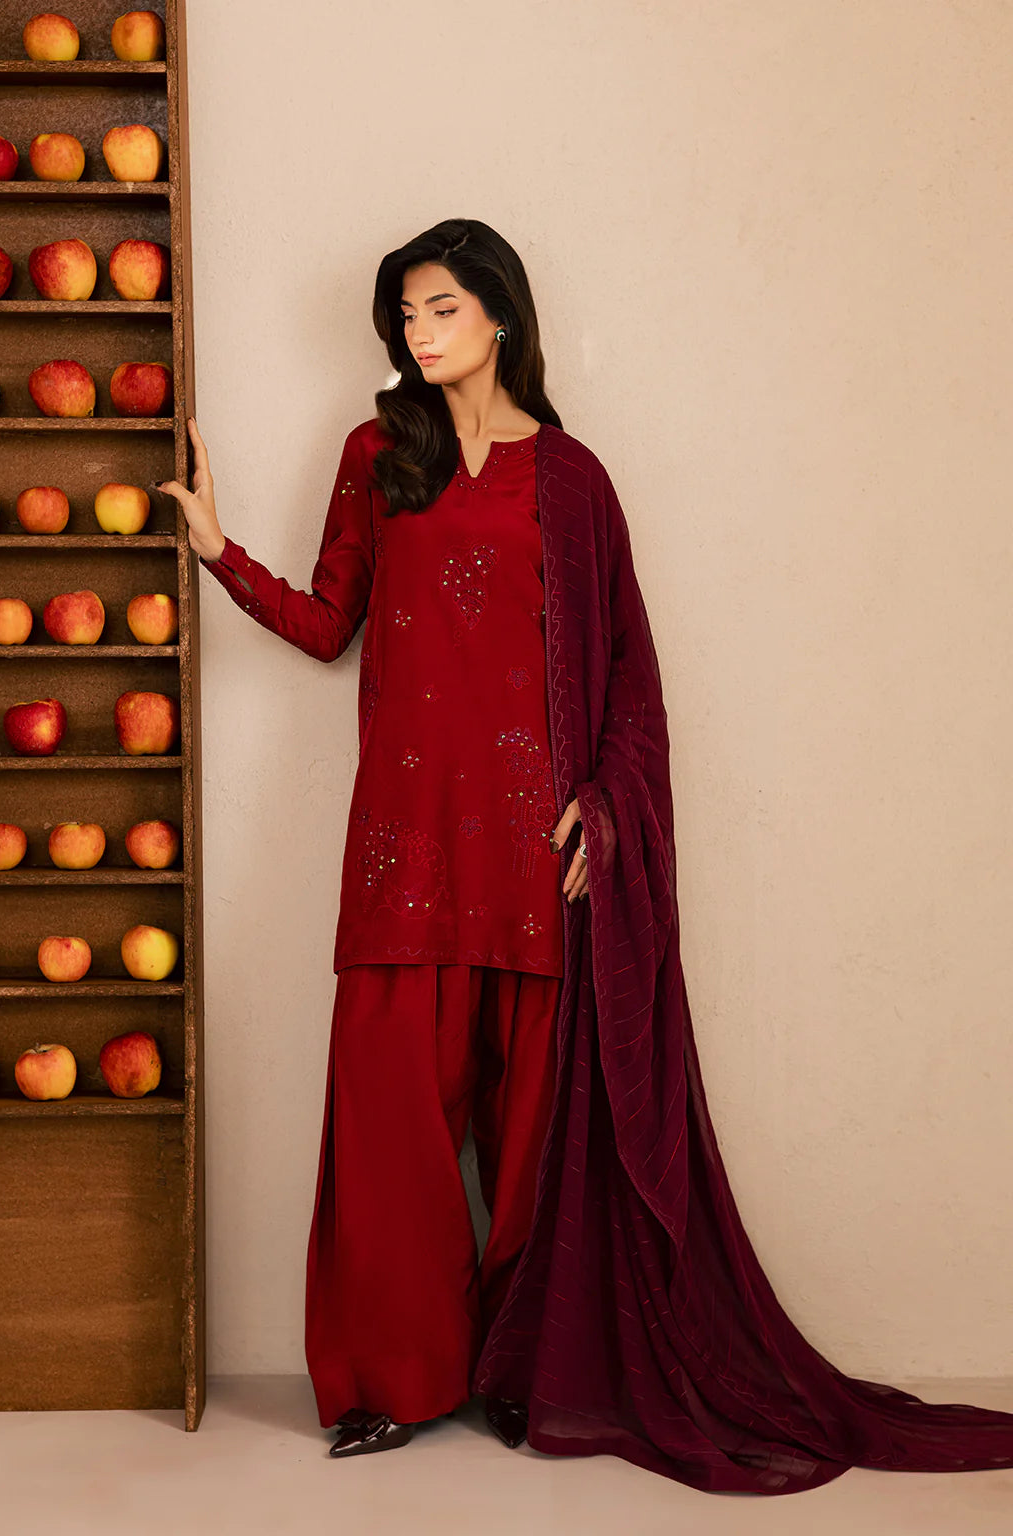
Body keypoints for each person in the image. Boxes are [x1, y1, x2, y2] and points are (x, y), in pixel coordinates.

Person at [158, 218, 1013, 1493]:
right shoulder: (377, 455)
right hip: (402, 847)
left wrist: (604, 814)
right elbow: (333, 623)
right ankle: (397, 1380)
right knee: (390, 1133)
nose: (418, 333)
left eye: (441, 309)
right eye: (404, 315)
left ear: (499, 314)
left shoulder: (571, 481)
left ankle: (520, 1367)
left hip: (531, 851)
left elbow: (626, 674)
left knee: (534, 1147)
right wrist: (220, 554)